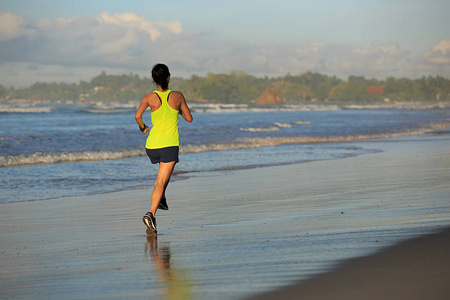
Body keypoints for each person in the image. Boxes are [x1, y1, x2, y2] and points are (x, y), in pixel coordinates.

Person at [135, 63, 193, 235]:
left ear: (153, 80)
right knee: (161, 182)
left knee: (160, 180)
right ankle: (150, 214)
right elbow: (189, 118)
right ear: (168, 77)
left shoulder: (148, 97)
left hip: (152, 145)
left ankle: (161, 198)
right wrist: (177, 110)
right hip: (169, 145)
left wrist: (143, 128)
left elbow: (137, 116)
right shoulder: (178, 96)